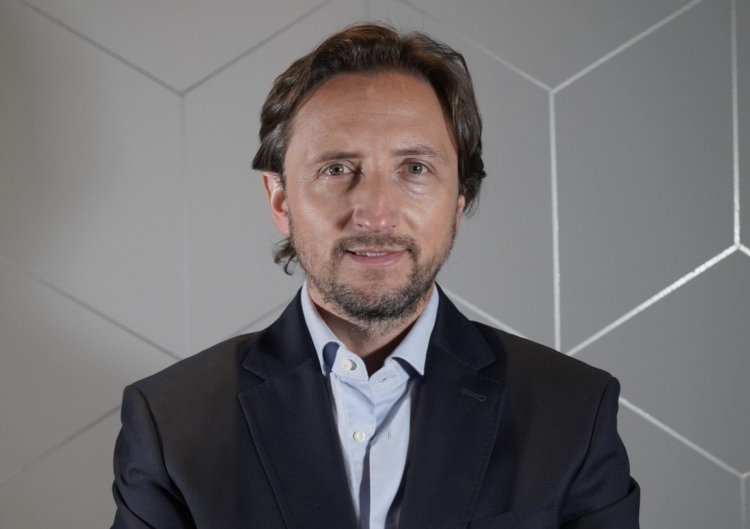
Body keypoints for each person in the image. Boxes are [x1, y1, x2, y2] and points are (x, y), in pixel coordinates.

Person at [111, 23, 639, 529]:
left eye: (415, 168)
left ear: (459, 201)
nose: (376, 215)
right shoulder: (170, 422)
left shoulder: (574, 410)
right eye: (337, 169)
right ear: (280, 200)